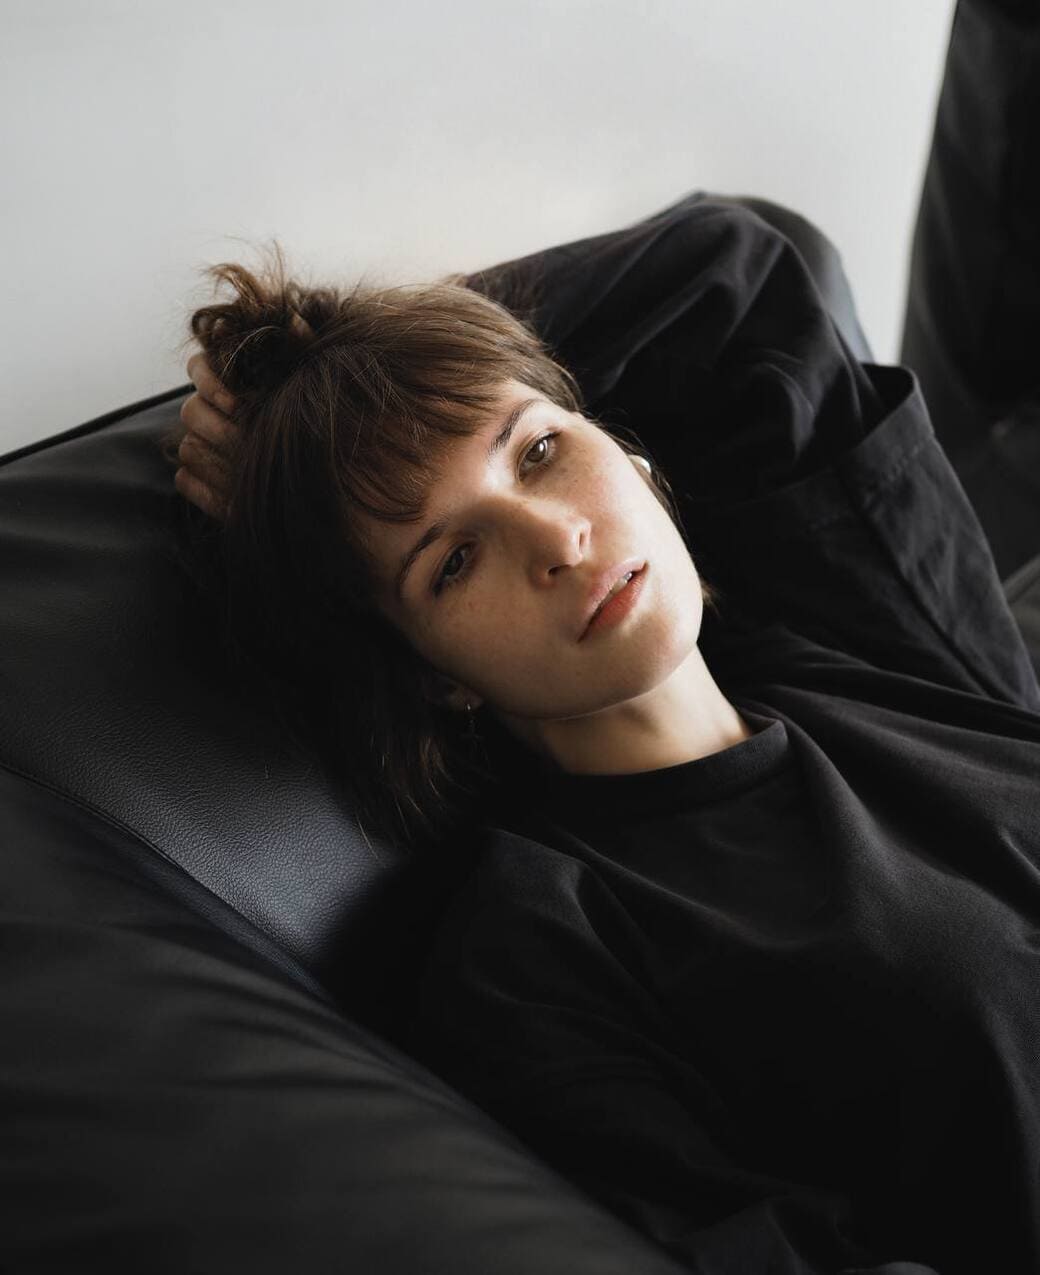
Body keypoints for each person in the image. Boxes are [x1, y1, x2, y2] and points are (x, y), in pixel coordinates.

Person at [167, 10, 1040, 1272]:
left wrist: (346, 359)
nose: (555, 538)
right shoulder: (536, 951)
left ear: (629, 455)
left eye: (538, 451)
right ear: (431, 676)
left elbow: (739, 275)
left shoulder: (860, 655)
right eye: (451, 560)